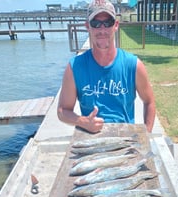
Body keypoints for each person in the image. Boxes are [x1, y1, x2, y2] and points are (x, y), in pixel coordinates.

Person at [57, 0, 155, 133]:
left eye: (107, 23)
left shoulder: (134, 65)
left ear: (116, 25)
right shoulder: (74, 67)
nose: (102, 29)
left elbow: (149, 101)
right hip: (90, 140)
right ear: (88, 26)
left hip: (125, 139)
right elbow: (62, 111)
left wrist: (146, 135)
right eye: (96, 23)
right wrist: (83, 122)